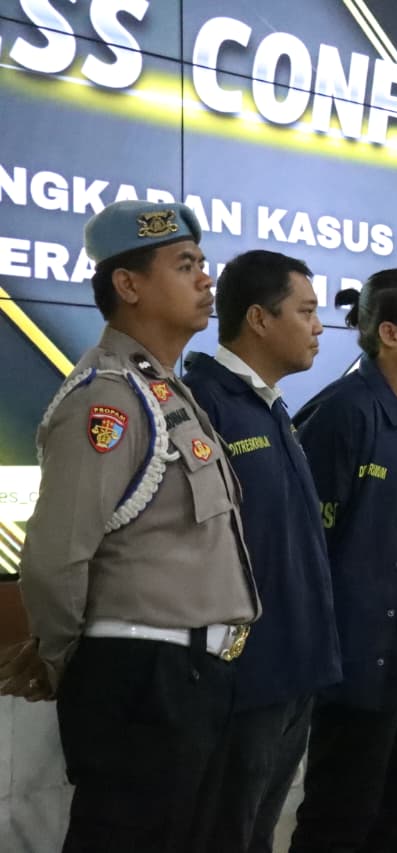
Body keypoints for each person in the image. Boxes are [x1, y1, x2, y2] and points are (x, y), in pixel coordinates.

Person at [12, 200, 259, 852]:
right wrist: (71, 662)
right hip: (144, 680)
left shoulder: (164, 390)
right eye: (185, 264)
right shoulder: (109, 398)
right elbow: (55, 557)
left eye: (203, 263)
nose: (206, 278)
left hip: (191, 678)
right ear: (128, 284)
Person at [288, 269, 397, 852]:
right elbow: (308, 546)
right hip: (367, 665)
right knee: (342, 820)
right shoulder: (344, 413)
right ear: (390, 333)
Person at [183, 249, 342, 853]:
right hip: (241, 681)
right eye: (305, 311)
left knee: (256, 836)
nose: (319, 327)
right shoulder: (205, 403)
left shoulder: (271, 407)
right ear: (258, 318)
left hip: (295, 672)